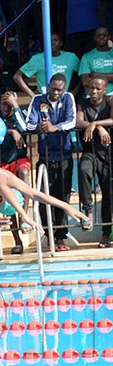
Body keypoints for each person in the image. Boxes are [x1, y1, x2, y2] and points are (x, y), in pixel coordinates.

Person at [25, 73, 77, 252]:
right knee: (43, 199)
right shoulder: (38, 100)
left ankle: (61, 237)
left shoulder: (68, 98)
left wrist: (56, 127)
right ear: (48, 86)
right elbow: (28, 124)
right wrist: (41, 127)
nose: (56, 93)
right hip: (45, 157)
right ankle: (49, 237)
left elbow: (72, 121)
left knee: (63, 197)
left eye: (59, 90)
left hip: (64, 157)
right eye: (53, 89)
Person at [0, 91, 31, 254]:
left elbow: (25, 128)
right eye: (4, 104)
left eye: (10, 104)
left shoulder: (20, 112)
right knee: (8, 198)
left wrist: (16, 107)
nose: (7, 108)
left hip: (19, 160)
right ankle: (17, 240)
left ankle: (25, 217)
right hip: (2, 161)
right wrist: (11, 132)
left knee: (24, 174)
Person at [76, 75, 113, 247]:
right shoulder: (83, 103)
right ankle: (88, 212)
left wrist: (96, 124)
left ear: (105, 90)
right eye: (92, 88)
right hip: (89, 151)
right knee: (83, 169)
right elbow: (78, 121)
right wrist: (95, 126)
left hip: (107, 153)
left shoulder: (110, 101)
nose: (94, 91)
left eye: (98, 88)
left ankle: (106, 234)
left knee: (108, 193)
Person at [13, 32, 80, 97]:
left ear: (61, 43)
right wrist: (33, 96)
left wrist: (75, 91)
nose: (52, 43)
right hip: (44, 98)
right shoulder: (37, 59)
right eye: (49, 40)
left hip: (63, 98)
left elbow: (83, 73)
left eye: (55, 40)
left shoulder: (71, 57)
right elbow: (17, 76)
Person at [79, 27, 113, 95]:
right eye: (98, 35)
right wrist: (110, 77)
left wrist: (97, 75)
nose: (101, 37)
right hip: (94, 95)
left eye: (104, 35)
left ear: (109, 37)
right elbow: (85, 82)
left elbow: (89, 80)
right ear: (94, 38)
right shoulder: (87, 57)